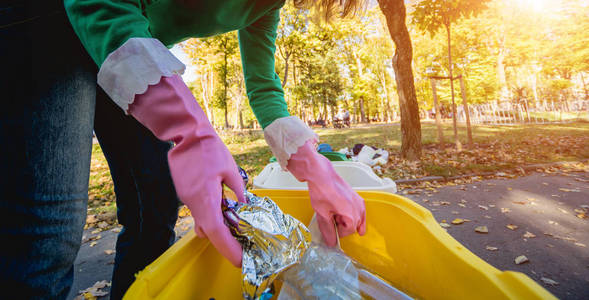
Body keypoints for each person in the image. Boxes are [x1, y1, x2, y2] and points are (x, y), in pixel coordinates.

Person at [1, 0, 367, 298]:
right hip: (50, 18)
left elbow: (263, 86)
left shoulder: (267, 7)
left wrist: (315, 168)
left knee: (156, 209)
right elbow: (100, 3)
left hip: (129, 43)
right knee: (48, 230)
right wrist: (191, 131)